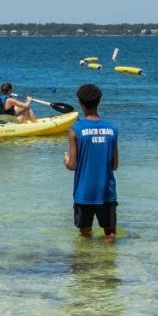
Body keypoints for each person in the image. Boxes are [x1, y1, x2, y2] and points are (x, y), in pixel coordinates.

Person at [64, 84, 119, 242]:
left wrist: (66, 161)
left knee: (85, 234)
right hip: (106, 192)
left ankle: (87, 263)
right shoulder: (112, 129)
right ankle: (107, 264)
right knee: (110, 234)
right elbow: (114, 166)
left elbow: (73, 165)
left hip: (84, 193)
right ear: (99, 102)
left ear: (80, 103)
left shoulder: (75, 129)